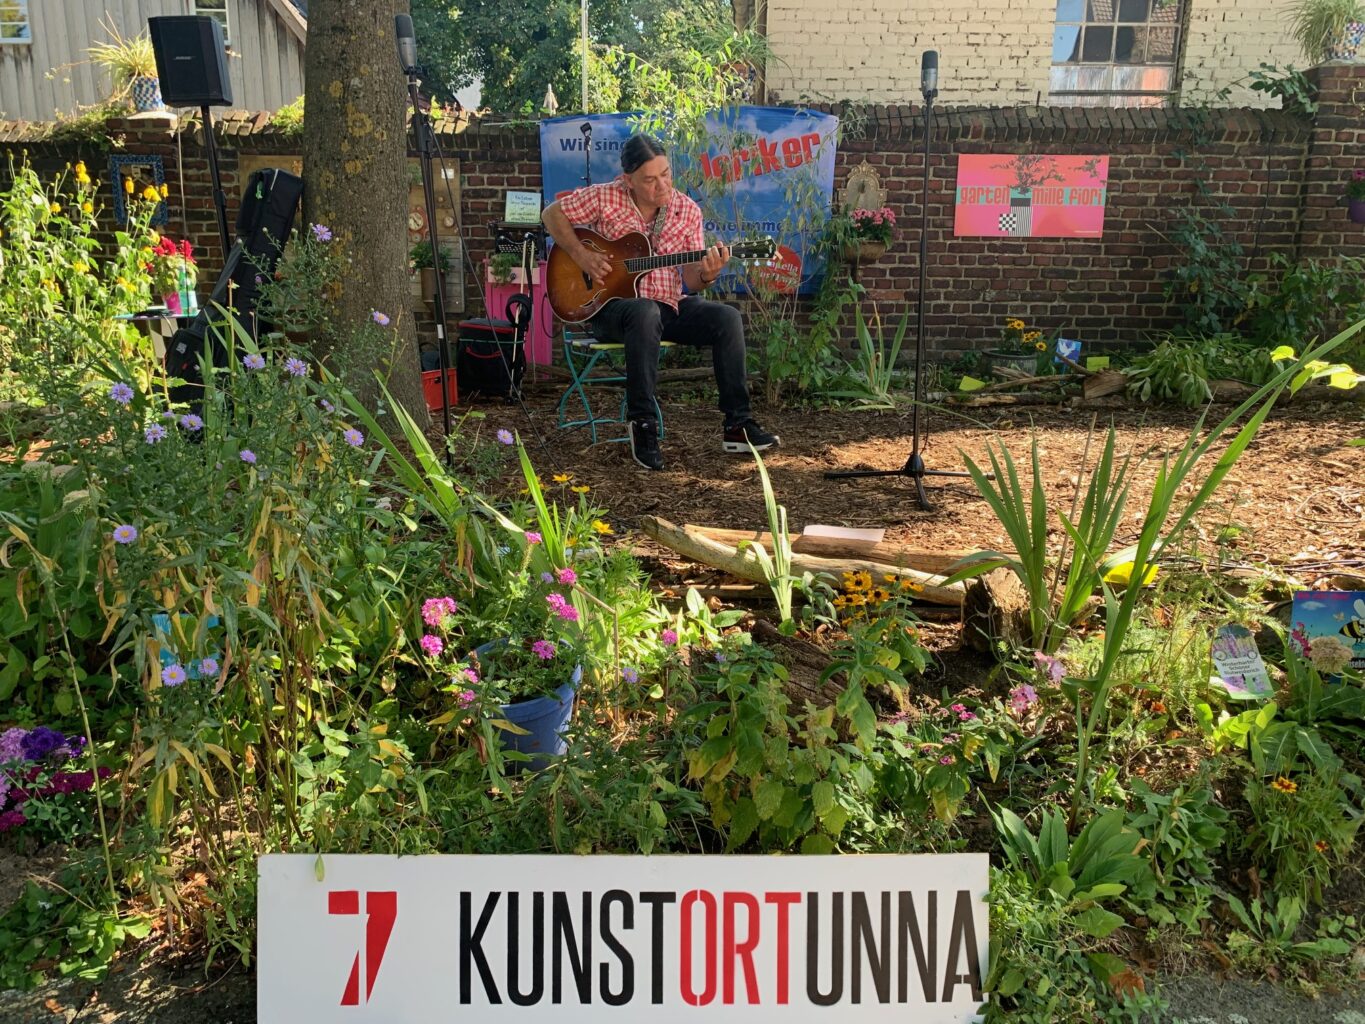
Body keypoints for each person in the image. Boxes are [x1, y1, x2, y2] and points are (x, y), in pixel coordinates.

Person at [541, 134, 778, 471]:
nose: (662, 185)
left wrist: (708, 273)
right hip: (611, 309)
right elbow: (551, 214)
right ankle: (643, 424)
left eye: (666, 174)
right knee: (644, 311)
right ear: (628, 180)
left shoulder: (687, 210)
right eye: (650, 180)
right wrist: (581, 256)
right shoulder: (605, 196)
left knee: (726, 318)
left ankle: (737, 426)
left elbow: (692, 281)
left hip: (667, 306)